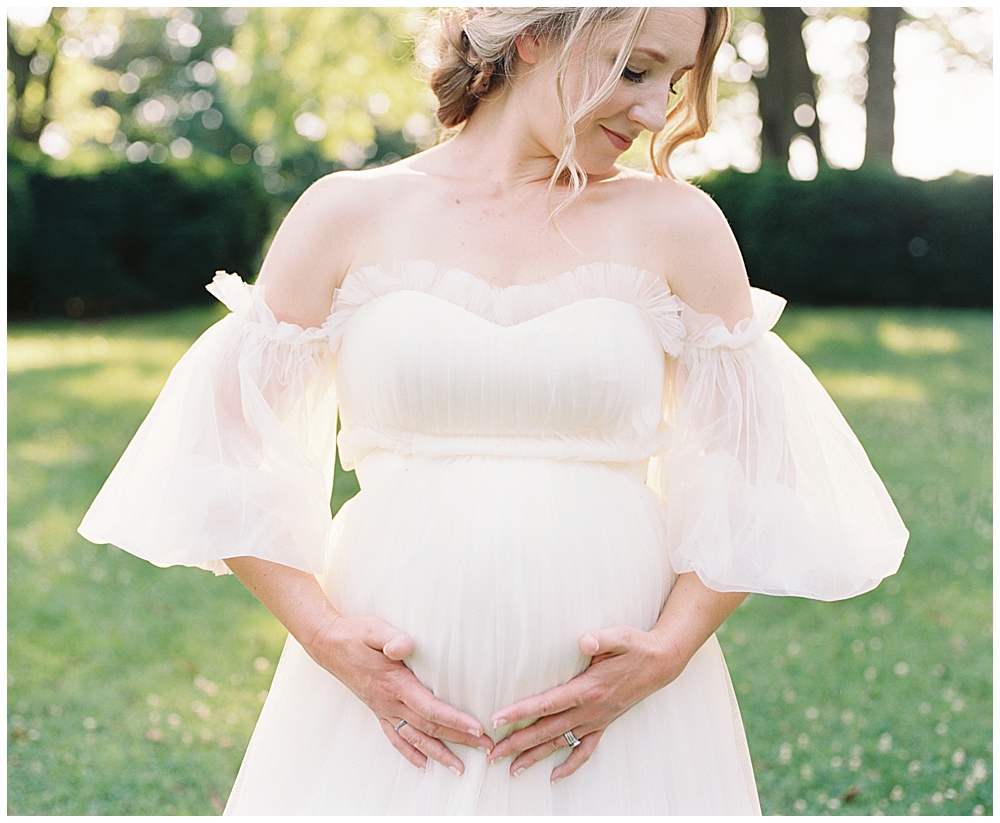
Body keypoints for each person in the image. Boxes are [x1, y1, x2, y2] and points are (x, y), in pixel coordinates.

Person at [79, 7, 908, 815]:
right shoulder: (346, 211)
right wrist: (329, 641)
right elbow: (216, 455)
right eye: (634, 68)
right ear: (540, 36)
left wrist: (664, 653)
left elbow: (758, 472)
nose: (656, 112)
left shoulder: (678, 225)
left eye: (674, 81)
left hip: (619, 724)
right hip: (384, 712)